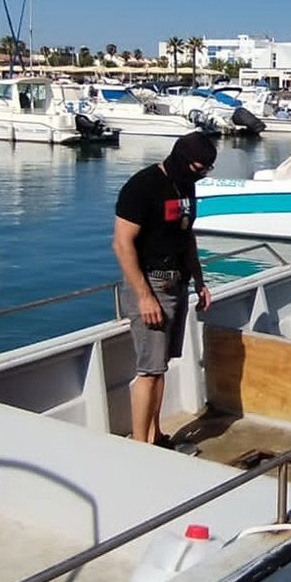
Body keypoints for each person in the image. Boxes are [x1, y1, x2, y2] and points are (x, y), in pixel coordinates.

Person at [112, 132, 218, 445]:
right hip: (151, 284)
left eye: (206, 169)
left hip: (177, 284)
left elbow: (187, 236)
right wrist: (144, 297)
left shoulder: (186, 186)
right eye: (198, 168)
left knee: (161, 367)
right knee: (149, 371)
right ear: (183, 160)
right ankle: (140, 445)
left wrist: (199, 280)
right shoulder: (142, 187)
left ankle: (154, 435)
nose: (201, 174)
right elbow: (121, 243)